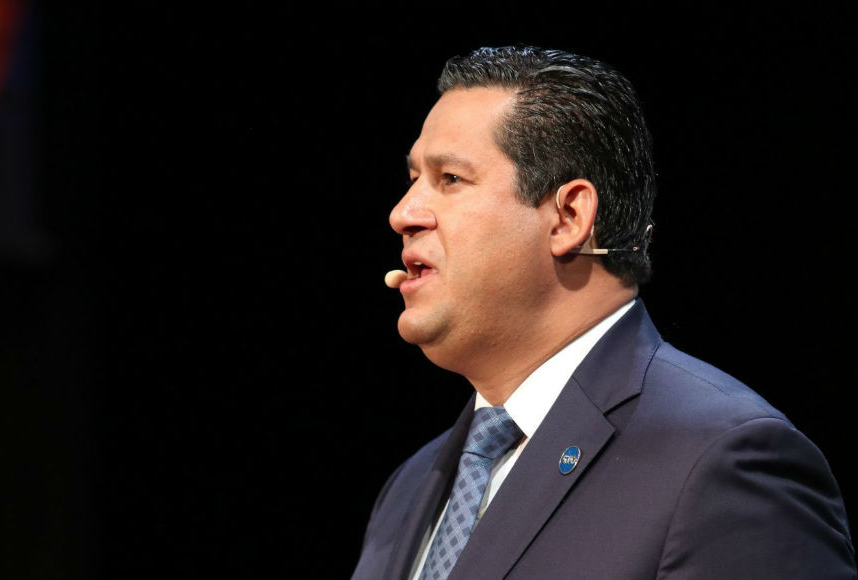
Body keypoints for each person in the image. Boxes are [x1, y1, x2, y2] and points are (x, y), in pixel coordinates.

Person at [352, 45, 855, 580]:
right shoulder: (409, 489)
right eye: (413, 179)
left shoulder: (720, 461)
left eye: (450, 178)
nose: (403, 213)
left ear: (569, 217)